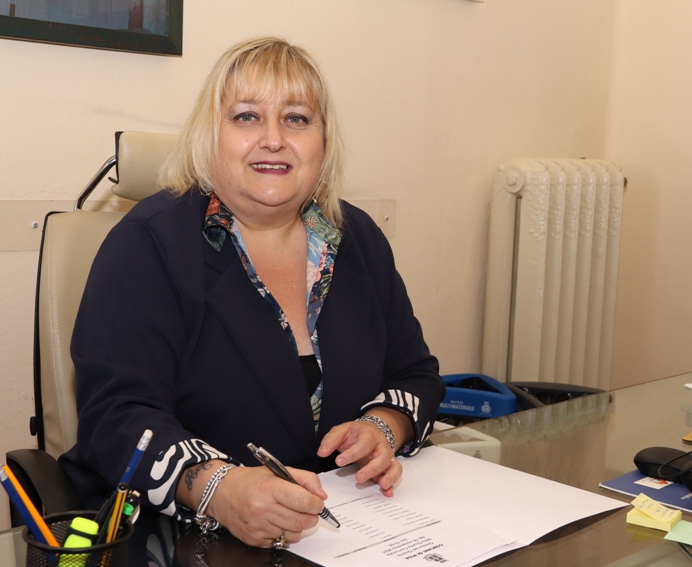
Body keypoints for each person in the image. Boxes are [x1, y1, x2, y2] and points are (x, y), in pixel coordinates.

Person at [59, 36, 444, 550]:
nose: (274, 139)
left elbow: (415, 374)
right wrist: (219, 489)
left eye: (297, 118)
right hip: (175, 540)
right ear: (210, 137)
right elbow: (117, 417)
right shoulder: (147, 245)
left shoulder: (358, 239)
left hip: (342, 536)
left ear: (323, 141)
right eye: (246, 117)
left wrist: (383, 428)